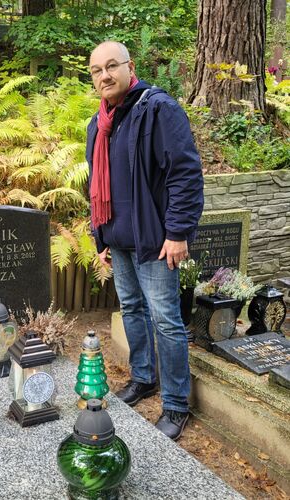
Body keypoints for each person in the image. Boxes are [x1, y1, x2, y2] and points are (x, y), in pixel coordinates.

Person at [86, 41, 204, 440]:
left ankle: (175, 404)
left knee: (166, 320)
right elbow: (96, 184)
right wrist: (101, 235)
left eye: (112, 66)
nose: (105, 75)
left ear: (129, 67)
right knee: (132, 310)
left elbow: (185, 173)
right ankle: (143, 378)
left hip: (155, 239)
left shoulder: (158, 109)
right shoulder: (99, 123)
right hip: (118, 238)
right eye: (97, 70)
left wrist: (178, 233)